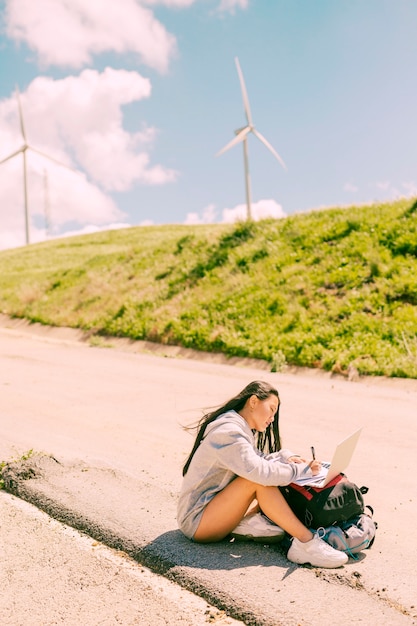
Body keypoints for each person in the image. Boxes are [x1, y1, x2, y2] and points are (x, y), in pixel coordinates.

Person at [177, 380, 348, 568]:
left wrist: (292, 458)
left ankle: (249, 521)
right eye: (271, 409)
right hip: (197, 522)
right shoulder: (229, 432)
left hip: (211, 512)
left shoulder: (237, 428)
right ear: (253, 402)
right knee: (257, 481)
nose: (272, 418)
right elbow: (259, 471)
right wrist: (301, 470)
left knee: (263, 476)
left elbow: (260, 459)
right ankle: (306, 543)